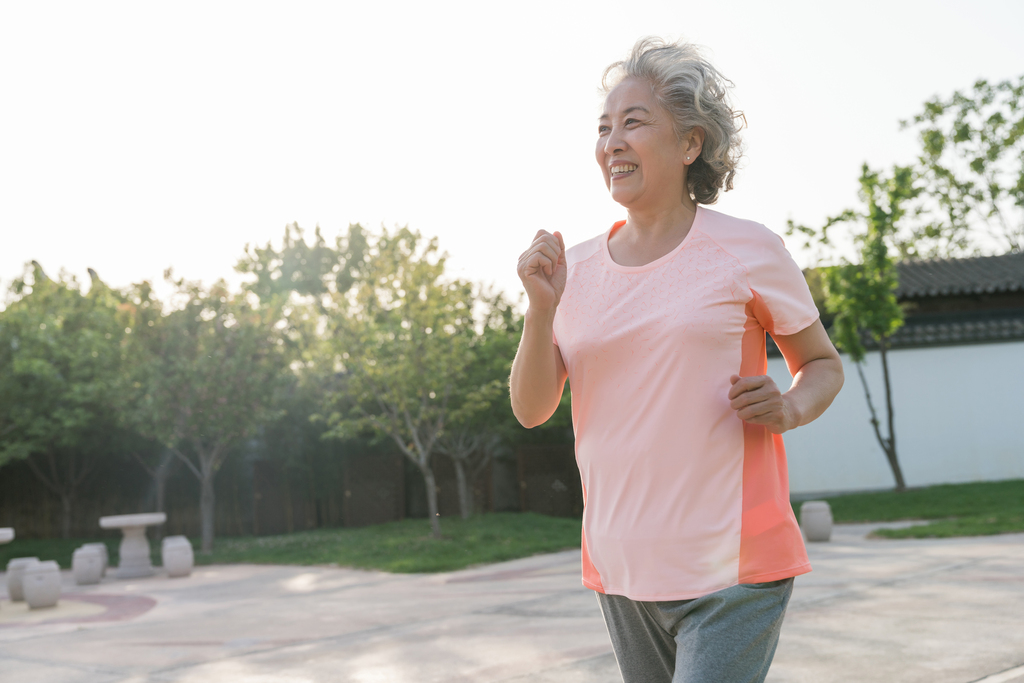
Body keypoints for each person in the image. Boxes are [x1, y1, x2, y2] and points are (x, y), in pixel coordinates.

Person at [509, 37, 844, 683]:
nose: (612, 142)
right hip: (623, 565)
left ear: (690, 143)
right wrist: (540, 308)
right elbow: (531, 409)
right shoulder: (571, 267)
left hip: (733, 568)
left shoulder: (747, 249)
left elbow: (822, 364)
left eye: (633, 122)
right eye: (603, 128)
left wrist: (790, 405)